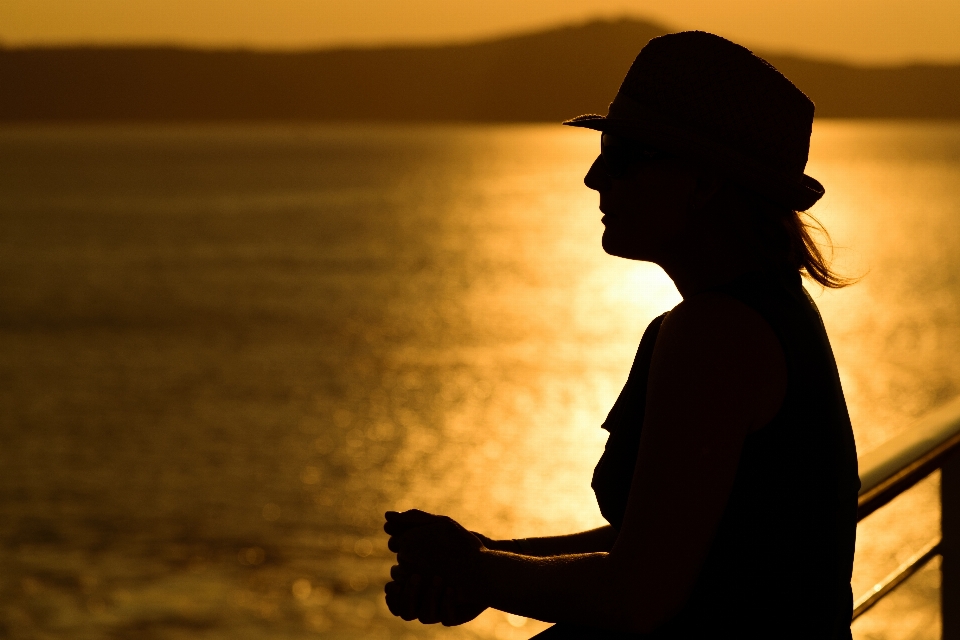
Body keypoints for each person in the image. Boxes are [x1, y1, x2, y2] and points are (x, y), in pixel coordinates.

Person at [383, 31, 860, 639]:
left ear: (705, 182)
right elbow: (675, 536)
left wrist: (480, 571)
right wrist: (488, 556)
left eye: (624, 155)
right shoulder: (764, 315)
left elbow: (640, 594)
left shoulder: (713, 335)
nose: (594, 176)